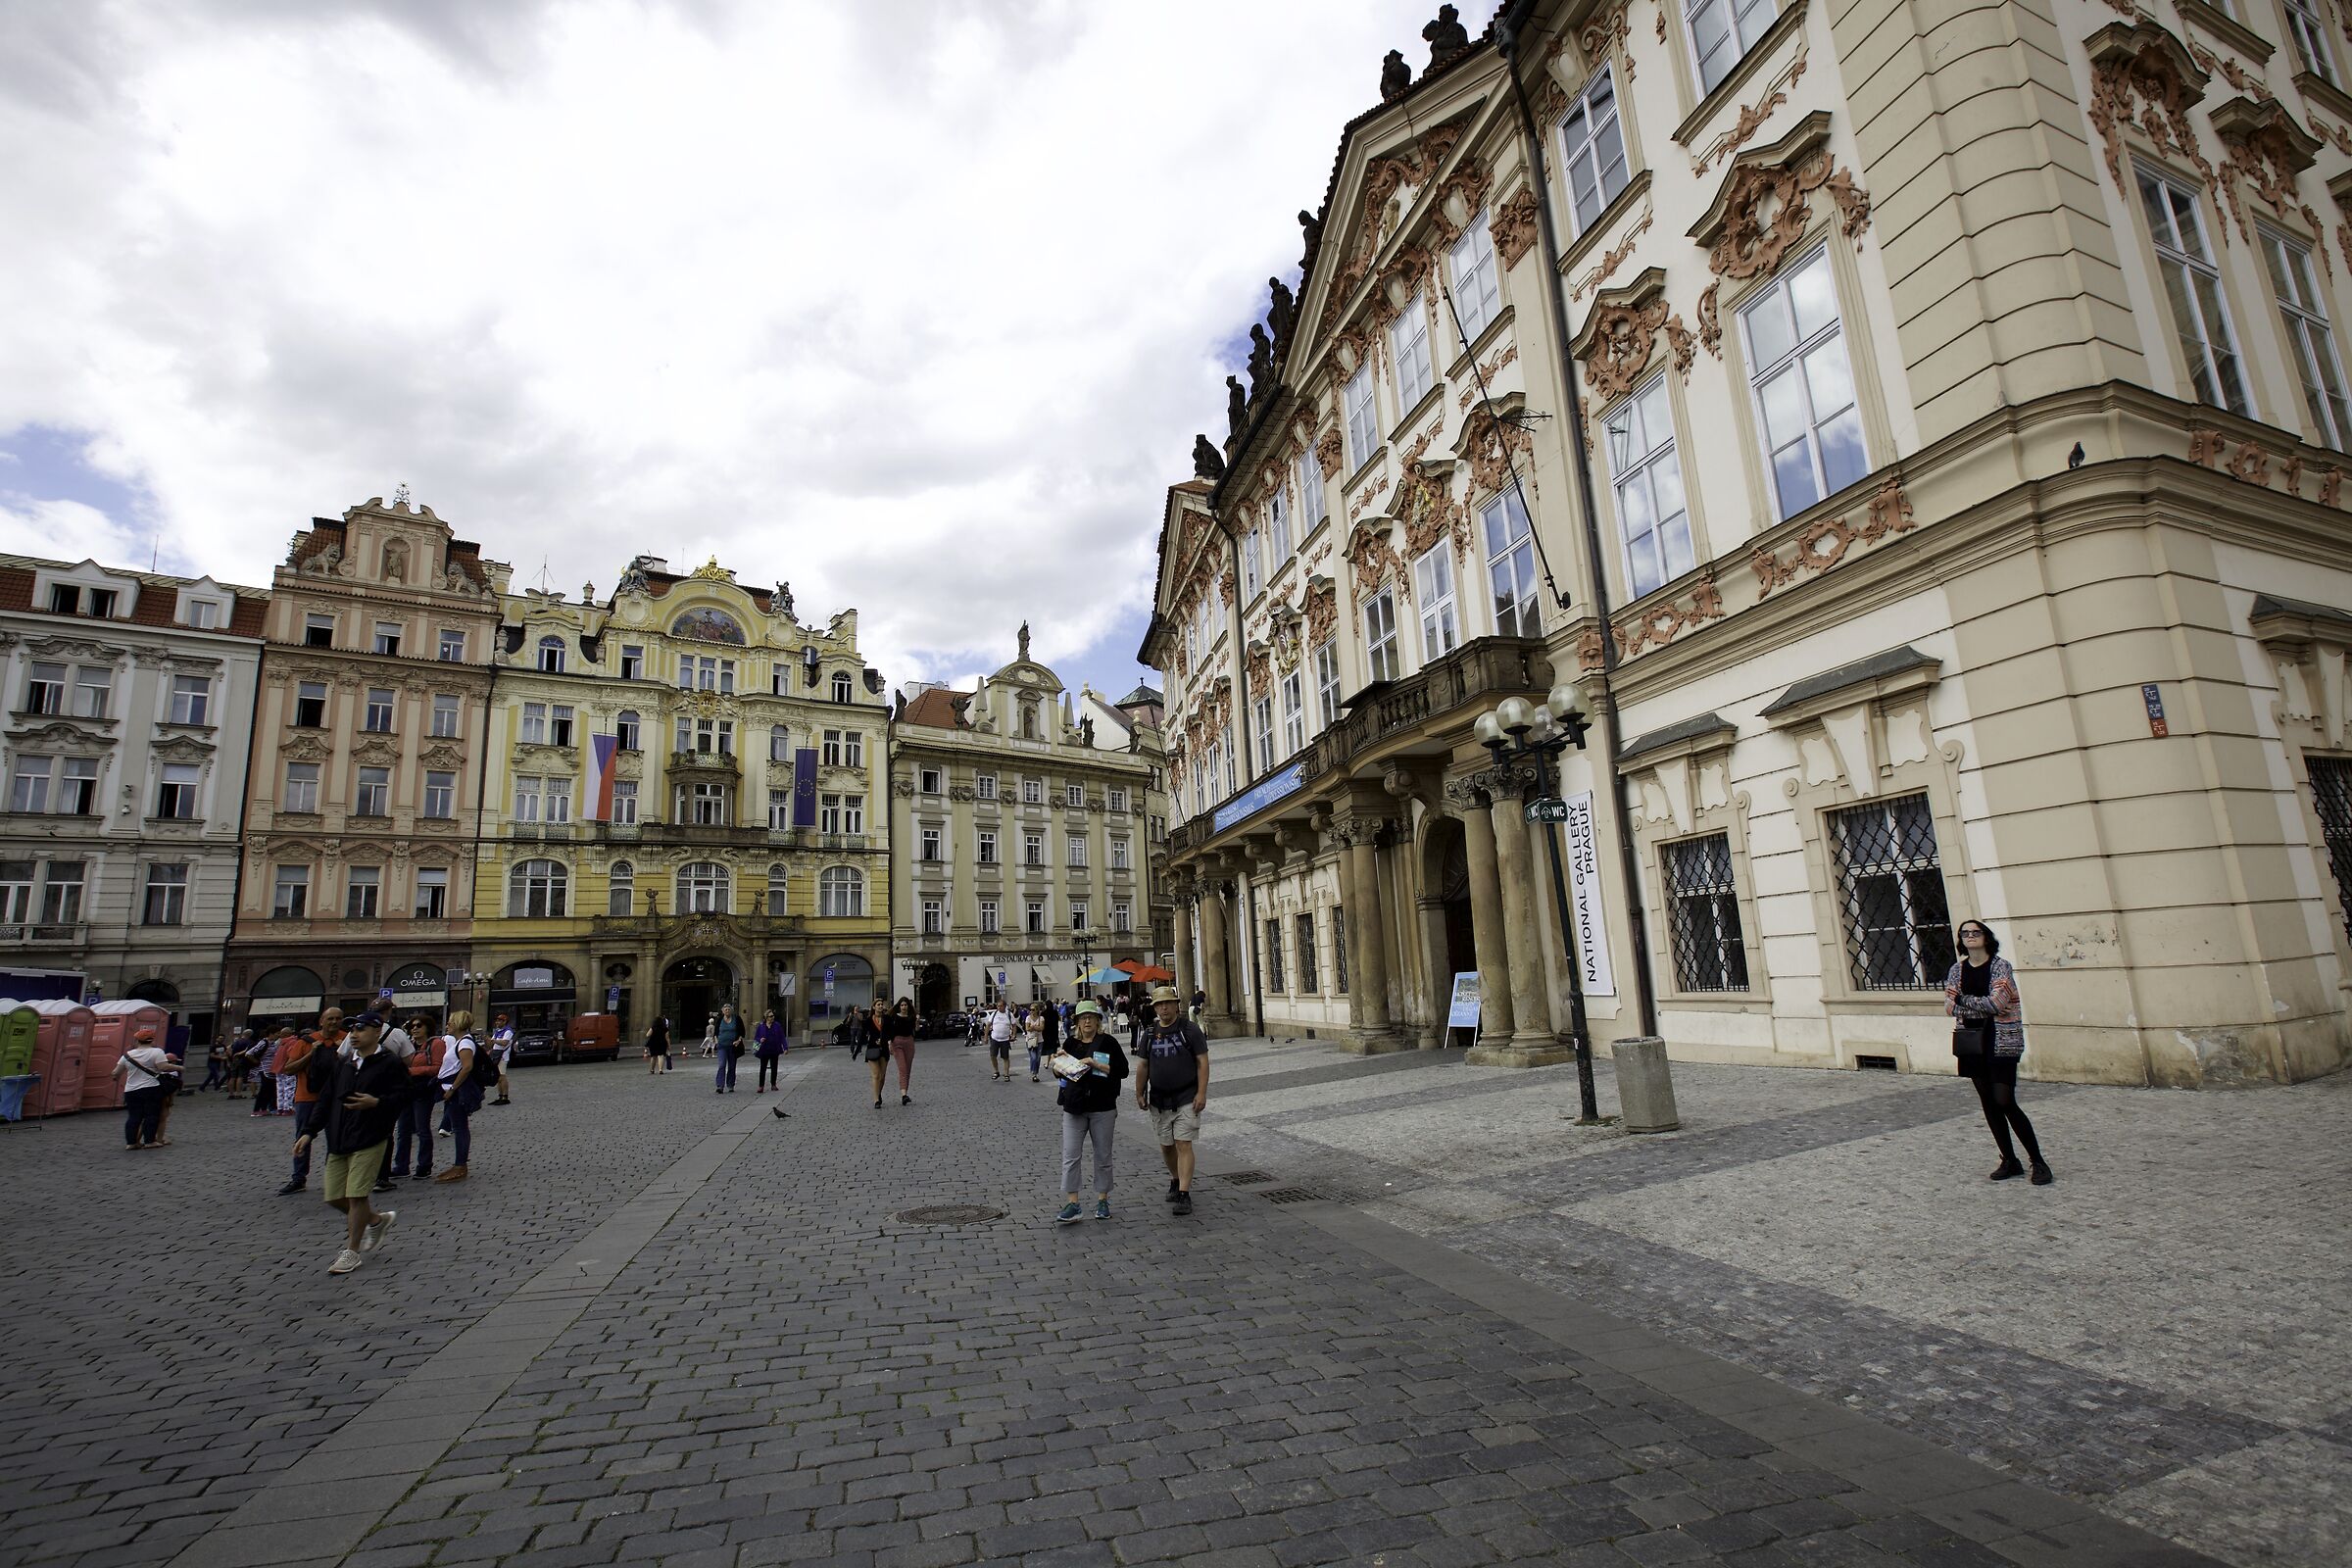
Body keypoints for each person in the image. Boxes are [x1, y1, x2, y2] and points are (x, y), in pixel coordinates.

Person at [297, 1014, 409, 1275]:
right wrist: (308, 1132)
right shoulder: (345, 1064)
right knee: (335, 1197)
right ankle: (376, 1220)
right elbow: (325, 1099)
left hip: (370, 1136)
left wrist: (377, 1102)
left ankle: (351, 1251)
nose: (354, 1034)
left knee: (357, 1195)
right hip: (338, 1138)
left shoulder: (389, 1062)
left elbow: (404, 1095)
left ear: (377, 1031)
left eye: (361, 1029)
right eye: (352, 1030)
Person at [1945, 919, 2051, 1186]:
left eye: (1975, 932)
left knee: (2004, 1100)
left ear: (1986, 937)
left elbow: (1997, 1003)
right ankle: (2009, 1160)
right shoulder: (1957, 970)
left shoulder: (2000, 966)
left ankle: (2038, 1161)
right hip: (1971, 1041)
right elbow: (1949, 1006)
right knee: (1988, 1103)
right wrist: (1970, 1005)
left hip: (2001, 1040)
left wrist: (1963, 1001)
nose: (1970, 936)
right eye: (1965, 933)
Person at [1137, 985, 1209, 1216]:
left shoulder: (1190, 1030)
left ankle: (1184, 1194)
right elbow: (1143, 1065)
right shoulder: (1149, 1034)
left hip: (1186, 1096)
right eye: (1159, 1004)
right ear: (1155, 1008)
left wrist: (1201, 1093)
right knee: (1166, 1146)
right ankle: (1176, 1178)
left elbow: (1202, 1062)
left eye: (1168, 1003)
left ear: (1177, 1004)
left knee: (1183, 1143)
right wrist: (1139, 1092)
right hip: (1159, 1099)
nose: (1164, 1007)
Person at [1054, 1001, 1129, 1223]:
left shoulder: (1108, 1042)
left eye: (1091, 1017)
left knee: (1103, 1156)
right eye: (1083, 1018)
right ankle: (1073, 1203)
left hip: (1103, 1106)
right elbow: (1061, 1075)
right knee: (1070, 1156)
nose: (1087, 1021)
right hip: (1074, 1107)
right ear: (1077, 1022)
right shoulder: (1070, 1043)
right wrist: (1057, 1065)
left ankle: (1103, 1199)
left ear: (1098, 1020)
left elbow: (1123, 1071)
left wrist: (1097, 1065)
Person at [276, 1010, 339, 1194]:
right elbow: (288, 1069)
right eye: (330, 1018)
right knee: (303, 1138)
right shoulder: (305, 1042)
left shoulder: (347, 1039)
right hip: (307, 1097)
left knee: (336, 1138)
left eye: (338, 1019)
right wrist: (311, 1054)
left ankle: (334, 1177)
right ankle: (298, 1178)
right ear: (321, 1021)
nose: (334, 1022)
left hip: (336, 1097)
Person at [391, 1020, 446, 1184]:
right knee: (403, 1130)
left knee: (422, 1128)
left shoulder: (436, 1043)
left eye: (418, 1025)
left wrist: (412, 1071)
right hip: (406, 1090)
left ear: (428, 1027)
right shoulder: (409, 1044)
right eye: (412, 1027)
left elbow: (438, 1067)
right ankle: (401, 1166)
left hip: (423, 1090)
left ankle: (424, 1165)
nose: (414, 1029)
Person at [433, 1011, 482, 1183]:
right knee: (458, 1126)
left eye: (450, 1023)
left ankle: (460, 1165)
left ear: (458, 1024)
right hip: (452, 1089)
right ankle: (458, 1164)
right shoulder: (460, 1042)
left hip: (458, 1091)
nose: (447, 1026)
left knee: (460, 1127)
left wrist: (453, 1088)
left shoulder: (465, 1043)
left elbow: (467, 1067)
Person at [113, 1026, 173, 1151]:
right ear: (152, 1040)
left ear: (137, 1041)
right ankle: (149, 1141)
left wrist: (116, 1078)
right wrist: (179, 1068)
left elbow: (115, 1073)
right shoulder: (157, 1052)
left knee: (134, 1116)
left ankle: (131, 1143)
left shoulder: (127, 1055)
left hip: (131, 1090)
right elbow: (163, 1067)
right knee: (151, 1115)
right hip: (151, 1088)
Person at [886, 998, 918, 1105]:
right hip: (897, 1043)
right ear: (899, 1007)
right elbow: (890, 1031)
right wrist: (889, 1043)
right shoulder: (894, 1017)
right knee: (903, 1068)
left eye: (905, 1005)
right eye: (902, 1005)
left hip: (909, 1042)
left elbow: (916, 1030)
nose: (904, 1007)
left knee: (908, 1069)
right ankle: (903, 1095)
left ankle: (905, 1093)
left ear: (908, 1006)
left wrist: (917, 1021)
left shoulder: (912, 1017)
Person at [862, 1002, 891, 1108]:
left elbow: (891, 1032)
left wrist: (887, 1040)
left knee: (882, 1076)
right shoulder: (869, 1020)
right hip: (872, 1048)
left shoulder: (887, 1019)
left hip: (884, 1048)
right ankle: (876, 1100)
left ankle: (878, 1093)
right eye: (878, 1004)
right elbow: (864, 1034)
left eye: (881, 1004)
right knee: (876, 1075)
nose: (880, 1006)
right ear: (874, 1007)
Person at [752, 1007, 787, 1092]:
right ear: (766, 1017)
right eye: (770, 1016)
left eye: (773, 1016)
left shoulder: (777, 1025)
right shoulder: (761, 1026)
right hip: (764, 1049)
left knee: (774, 1067)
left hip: (774, 1049)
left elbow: (782, 1037)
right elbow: (756, 1037)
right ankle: (761, 1086)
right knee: (762, 1068)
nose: (772, 1018)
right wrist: (760, 1039)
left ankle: (773, 1084)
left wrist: (785, 1047)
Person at [712, 1002, 744, 1094]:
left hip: (733, 1046)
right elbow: (716, 1032)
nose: (727, 1011)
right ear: (723, 1011)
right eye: (725, 1009)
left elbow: (742, 1031)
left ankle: (730, 1085)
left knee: (732, 1066)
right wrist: (717, 1042)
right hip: (722, 1045)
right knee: (722, 1065)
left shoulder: (736, 1019)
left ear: (731, 1011)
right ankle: (720, 1085)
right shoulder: (720, 1019)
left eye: (729, 1009)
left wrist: (738, 1040)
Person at [488, 1014, 515, 1104]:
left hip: (503, 1056)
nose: (497, 1022)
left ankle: (505, 1097)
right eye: (496, 1021)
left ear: (504, 1022)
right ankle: (500, 1096)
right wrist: (485, 1038)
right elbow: (491, 1043)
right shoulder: (497, 1031)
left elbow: (504, 1042)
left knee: (502, 1076)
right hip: (496, 1055)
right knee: (498, 1077)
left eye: (499, 1021)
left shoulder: (508, 1031)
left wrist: (493, 1041)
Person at [987, 1003, 1016, 1082]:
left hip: (1005, 1039)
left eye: (1000, 1006)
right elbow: (988, 1025)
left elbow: (1014, 1025)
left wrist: (1013, 1035)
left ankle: (1006, 1074)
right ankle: (996, 1071)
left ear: (1004, 1006)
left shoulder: (1009, 1014)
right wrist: (986, 1037)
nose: (998, 1007)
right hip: (994, 1038)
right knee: (993, 1056)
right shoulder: (994, 1014)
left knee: (1005, 1057)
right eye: (998, 1006)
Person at [1024, 1004, 1046, 1083]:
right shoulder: (1028, 1018)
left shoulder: (1041, 1018)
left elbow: (1041, 1028)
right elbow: (1027, 1028)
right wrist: (1035, 1027)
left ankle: (1035, 1073)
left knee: (1038, 1058)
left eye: (1033, 1010)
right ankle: (1034, 1074)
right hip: (1030, 1040)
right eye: (1030, 1010)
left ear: (1037, 1010)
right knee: (1033, 1057)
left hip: (1040, 1040)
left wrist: (1032, 1027)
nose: (1031, 1011)